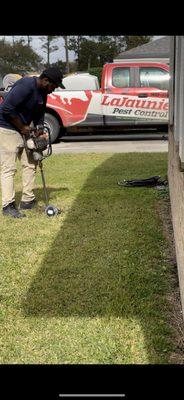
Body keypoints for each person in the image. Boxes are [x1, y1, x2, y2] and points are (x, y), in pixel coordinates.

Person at [0, 67, 65, 218]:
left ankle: (27, 200)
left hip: (25, 128)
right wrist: (22, 127)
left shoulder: (43, 92)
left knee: (30, 163)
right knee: (8, 168)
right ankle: (7, 206)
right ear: (45, 80)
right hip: (7, 128)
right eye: (53, 86)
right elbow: (7, 109)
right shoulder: (25, 85)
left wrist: (40, 130)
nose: (53, 89)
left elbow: (40, 113)